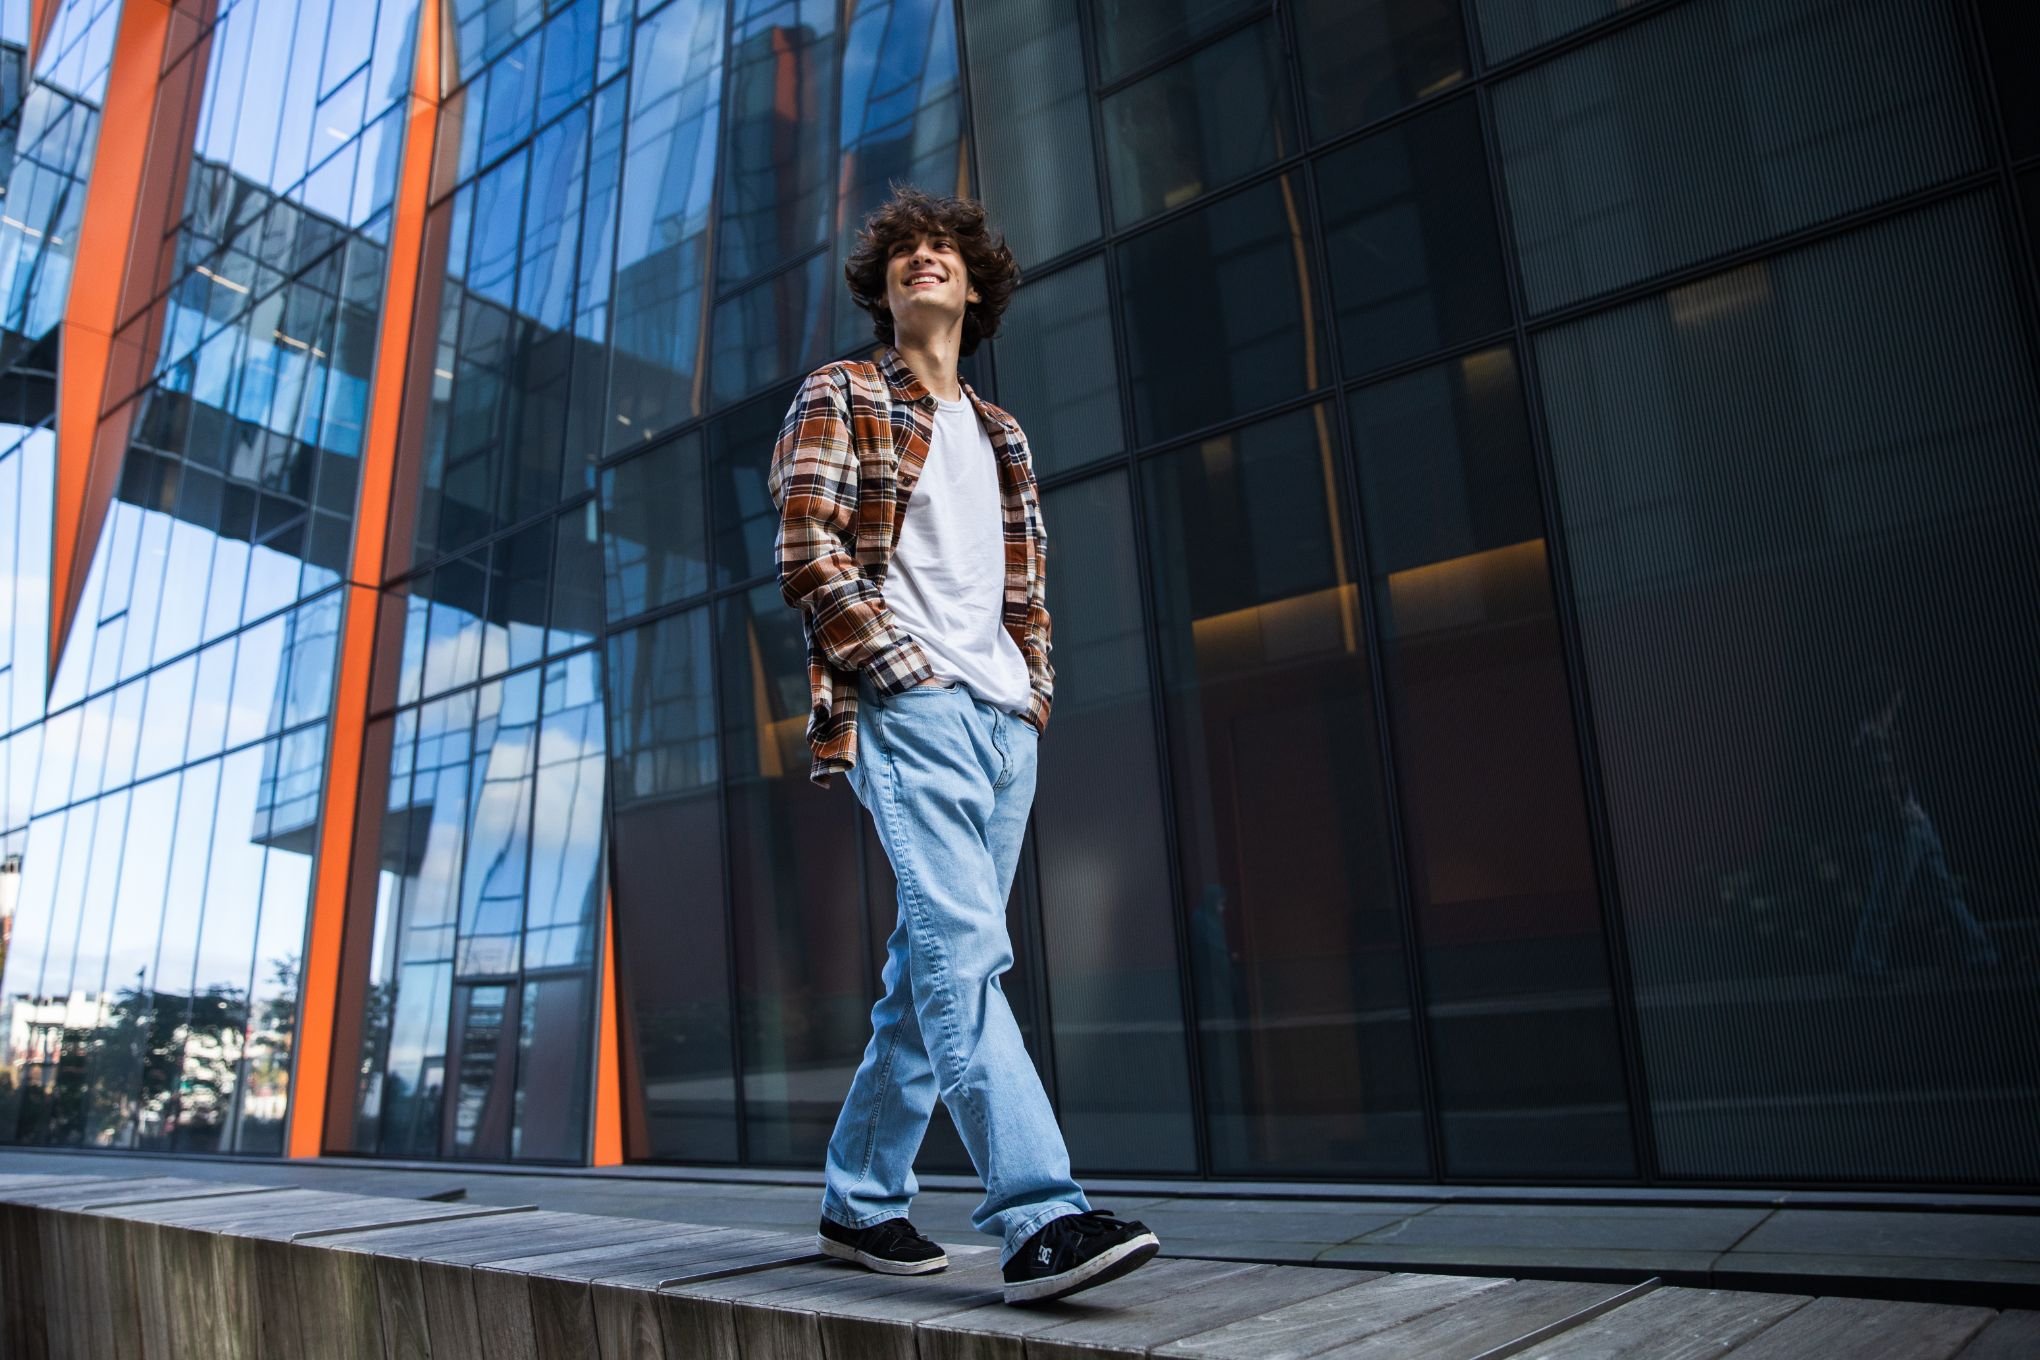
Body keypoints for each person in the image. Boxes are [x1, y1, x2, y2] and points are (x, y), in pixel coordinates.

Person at [766, 184, 1160, 1305]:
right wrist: (903, 672)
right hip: (914, 707)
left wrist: (1029, 690)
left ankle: (859, 1199)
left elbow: (1024, 591)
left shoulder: (1001, 434)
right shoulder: (840, 392)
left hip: (1001, 721)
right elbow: (808, 548)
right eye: (901, 254)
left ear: (975, 287)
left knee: (927, 967)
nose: (920, 260)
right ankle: (1042, 1214)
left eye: (942, 251)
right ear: (882, 289)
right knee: (965, 954)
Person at [1846, 666, 1999, 979]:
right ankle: (1865, 967)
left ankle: (1981, 954)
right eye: (1897, 699)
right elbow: (1878, 788)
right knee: (1887, 901)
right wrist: (1901, 818)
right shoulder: (1871, 739)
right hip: (1900, 830)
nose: (1899, 704)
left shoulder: (1883, 735)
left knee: (1944, 893)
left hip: (1915, 825)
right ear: (1887, 700)